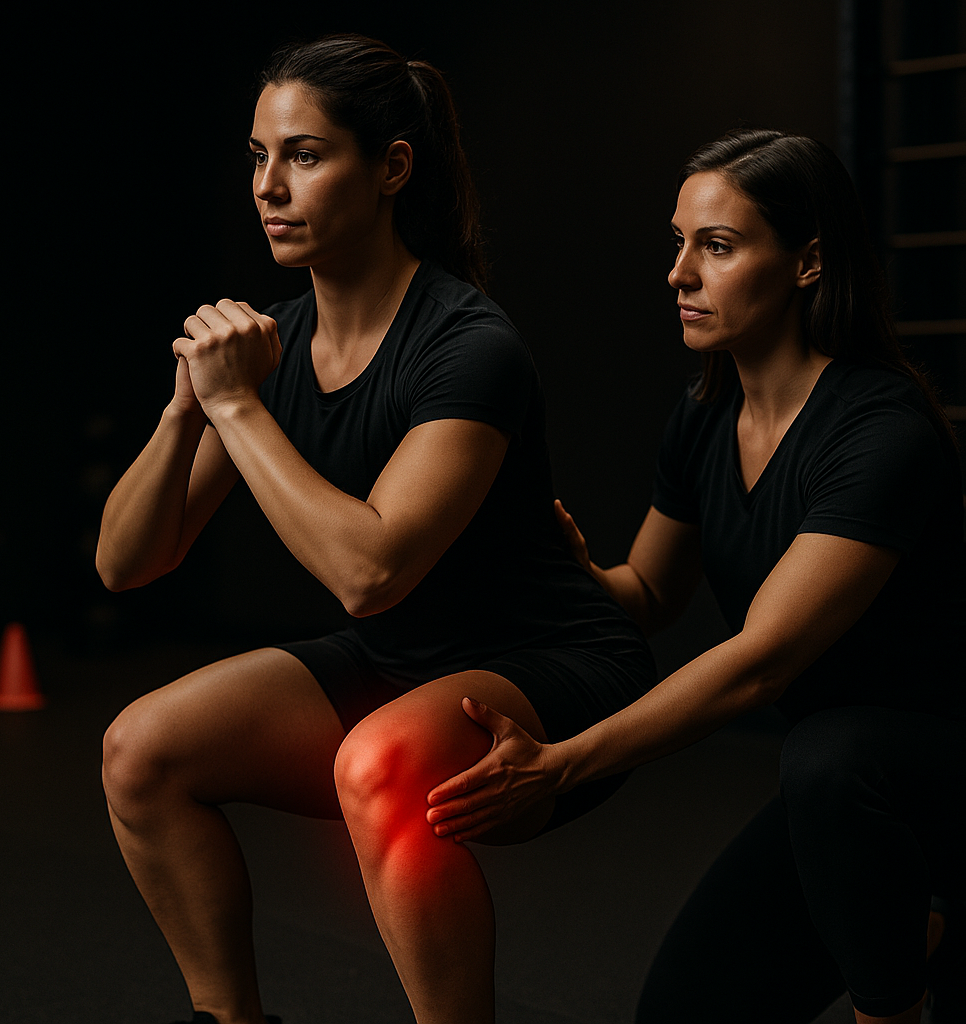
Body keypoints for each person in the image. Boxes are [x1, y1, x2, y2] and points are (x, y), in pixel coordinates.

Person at [425, 128, 966, 1024]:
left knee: (825, 751)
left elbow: (763, 662)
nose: (679, 274)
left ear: (809, 262)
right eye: (679, 242)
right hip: (844, 800)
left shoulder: (881, 431)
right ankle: (948, 934)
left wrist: (561, 767)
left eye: (719, 246)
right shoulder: (704, 416)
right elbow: (649, 597)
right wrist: (563, 564)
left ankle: (894, 1001)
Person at [94, 33, 655, 1024]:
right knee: (142, 748)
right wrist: (189, 408)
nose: (271, 185)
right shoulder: (273, 346)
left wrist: (237, 410)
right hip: (401, 660)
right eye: (259, 157)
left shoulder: (468, 344)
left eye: (305, 155)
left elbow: (370, 570)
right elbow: (127, 561)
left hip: (548, 668)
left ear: (392, 167)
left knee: (380, 761)